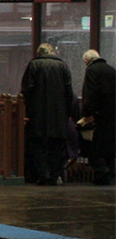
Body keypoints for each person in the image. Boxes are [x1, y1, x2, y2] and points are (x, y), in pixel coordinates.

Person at [20, 42, 74, 185]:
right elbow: (69, 92)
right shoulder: (62, 66)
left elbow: (27, 89)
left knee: (38, 145)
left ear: (39, 53)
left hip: (38, 114)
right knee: (56, 147)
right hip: (59, 115)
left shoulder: (34, 65)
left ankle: (44, 175)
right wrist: (68, 112)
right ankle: (54, 175)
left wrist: (26, 110)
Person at [80, 49, 115, 186]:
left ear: (87, 61)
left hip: (99, 116)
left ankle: (102, 171)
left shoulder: (91, 71)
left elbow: (90, 94)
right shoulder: (112, 70)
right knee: (110, 147)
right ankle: (108, 173)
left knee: (95, 148)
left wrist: (87, 114)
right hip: (112, 115)